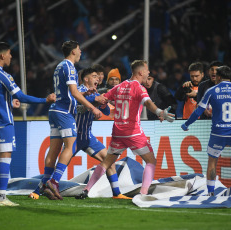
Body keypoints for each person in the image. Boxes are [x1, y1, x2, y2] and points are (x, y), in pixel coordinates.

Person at [0, 42, 56, 206]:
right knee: (5, 159)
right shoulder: (3, 75)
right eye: (9, 54)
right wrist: (45, 99)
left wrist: (9, 102)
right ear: (2, 55)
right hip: (4, 123)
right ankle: (1, 198)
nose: (11, 57)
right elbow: (22, 96)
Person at [75, 60, 175, 199]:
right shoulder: (139, 88)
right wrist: (159, 112)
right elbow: (148, 103)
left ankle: (86, 190)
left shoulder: (119, 87)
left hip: (118, 132)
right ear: (140, 72)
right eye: (147, 70)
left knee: (106, 163)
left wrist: (86, 106)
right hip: (133, 132)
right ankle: (143, 194)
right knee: (151, 161)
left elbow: (102, 99)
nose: (148, 73)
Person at [29, 68, 130, 200]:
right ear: (86, 79)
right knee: (59, 164)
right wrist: (94, 102)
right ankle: (40, 189)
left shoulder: (95, 93)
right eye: (94, 76)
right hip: (73, 137)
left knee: (109, 160)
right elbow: (77, 108)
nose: (98, 79)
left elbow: (105, 113)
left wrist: (103, 103)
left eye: (98, 76)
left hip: (88, 137)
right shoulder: (76, 92)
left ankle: (117, 193)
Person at [38, 41, 104, 200]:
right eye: (79, 49)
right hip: (63, 111)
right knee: (70, 144)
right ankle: (54, 182)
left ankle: (44, 185)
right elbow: (74, 92)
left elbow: (70, 92)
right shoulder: (69, 67)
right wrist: (92, 107)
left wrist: (86, 95)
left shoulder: (59, 66)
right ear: (73, 51)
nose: (81, 52)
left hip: (54, 110)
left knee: (53, 152)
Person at [181, 66, 231, 196]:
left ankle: (211, 192)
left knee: (212, 163)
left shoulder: (212, 91)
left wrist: (186, 124)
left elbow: (198, 111)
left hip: (218, 133)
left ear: (218, 77)